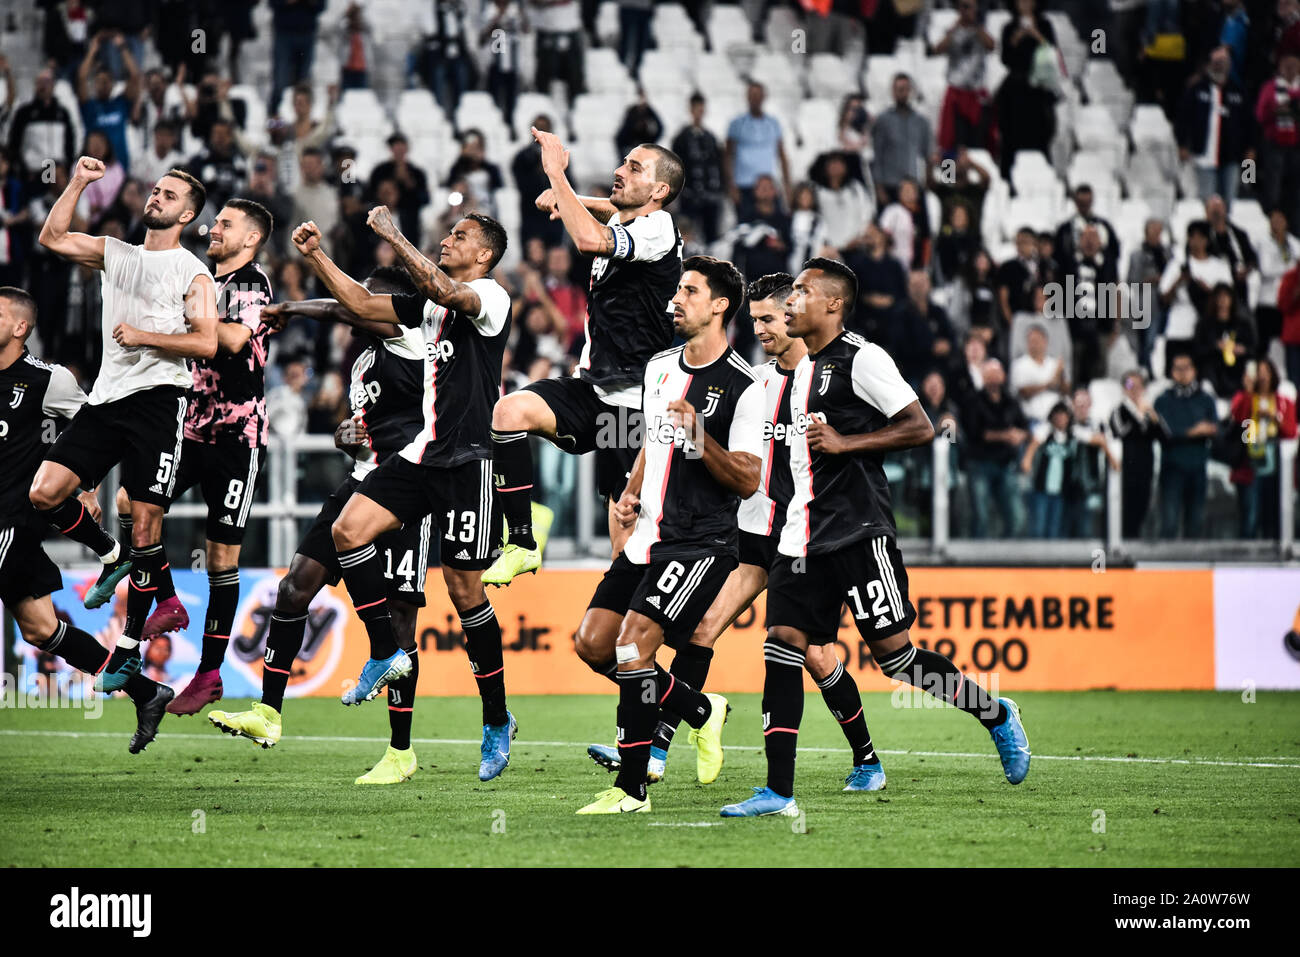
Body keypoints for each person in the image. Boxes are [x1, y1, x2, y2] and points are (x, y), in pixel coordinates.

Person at [720, 258, 1029, 819]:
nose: (791, 303)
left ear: (832, 304)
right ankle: (778, 791)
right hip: (801, 537)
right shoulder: (798, 371)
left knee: (898, 659)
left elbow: (920, 426)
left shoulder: (862, 359)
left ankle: (995, 714)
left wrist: (846, 444)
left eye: (802, 294)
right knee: (782, 645)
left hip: (859, 533)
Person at [586, 273, 887, 793]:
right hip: (748, 533)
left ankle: (867, 759)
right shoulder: (761, 382)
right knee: (699, 633)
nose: (767, 328)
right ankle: (658, 747)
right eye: (760, 321)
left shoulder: (820, 380)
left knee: (817, 655)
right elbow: (677, 446)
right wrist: (638, 490)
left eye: (773, 318)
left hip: (805, 536)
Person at [289, 206, 519, 780]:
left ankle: (496, 719)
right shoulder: (431, 309)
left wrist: (394, 235)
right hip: (422, 453)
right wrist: (316, 255)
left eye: (460, 236)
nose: (448, 240)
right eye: (447, 233)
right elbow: (363, 306)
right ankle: (385, 654)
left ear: (485, 255)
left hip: (469, 463)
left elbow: (446, 288)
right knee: (348, 530)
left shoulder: (491, 298)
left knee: (466, 595)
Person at [210, 267, 433, 784]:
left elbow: (341, 307)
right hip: (357, 484)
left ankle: (400, 751)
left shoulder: (411, 338)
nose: (360, 307)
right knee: (293, 589)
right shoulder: (361, 364)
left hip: (404, 493)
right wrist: (345, 435)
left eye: (369, 299)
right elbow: (362, 431)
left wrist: (290, 308)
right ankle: (268, 714)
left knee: (401, 623)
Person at [574, 256, 763, 815]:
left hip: (698, 540)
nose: (674, 300)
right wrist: (631, 490)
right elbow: (650, 442)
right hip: (647, 533)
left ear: (720, 305)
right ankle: (702, 711)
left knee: (632, 648)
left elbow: (749, 479)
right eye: (677, 290)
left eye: (689, 291)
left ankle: (631, 790)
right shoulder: (658, 366)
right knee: (593, 644)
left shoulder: (743, 387)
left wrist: (702, 437)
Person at [29, 159, 217, 711]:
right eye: (156, 189)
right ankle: (110, 554)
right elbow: (52, 236)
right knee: (45, 492)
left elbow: (206, 343)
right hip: (107, 399)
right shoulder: (116, 251)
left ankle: (136, 641)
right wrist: (80, 182)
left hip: (159, 402)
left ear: (186, 213)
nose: (157, 197)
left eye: (170, 194)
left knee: (145, 519)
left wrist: (145, 335)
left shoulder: (193, 272)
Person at [486, 130, 684, 583]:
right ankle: (521, 538)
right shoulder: (634, 221)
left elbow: (591, 242)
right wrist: (571, 197)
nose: (620, 171)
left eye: (635, 167)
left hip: (635, 407)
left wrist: (557, 174)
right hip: (594, 390)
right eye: (624, 162)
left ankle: (634, 644)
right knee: (510, 411)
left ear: (660, 192)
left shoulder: (659, 227)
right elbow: (614, 214)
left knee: (626, 545)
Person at [112, 199, 276, 716]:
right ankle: (167, 600)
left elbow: (227, 340)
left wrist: (188, 315)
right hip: (187, 425)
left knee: (222, 558)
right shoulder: (196, 275)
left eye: (227, 224)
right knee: (128, 503)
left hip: (238, 435)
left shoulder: (252, 284)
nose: (215, 228)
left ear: (251, 238)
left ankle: (208, 675)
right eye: (216, 221)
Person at [0, 287, 172, 753]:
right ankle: (147, 693)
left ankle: (113, 553)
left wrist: (86, 485)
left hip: (16, 517)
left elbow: (93, 431)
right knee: (39, 628)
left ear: (21, 327)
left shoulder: (48, 380)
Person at [1229, 358, 1297, 538]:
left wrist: (1276, 418)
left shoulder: (1283, 402)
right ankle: (1245, 559)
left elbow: (1290, 432)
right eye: (1259, 372)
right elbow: (1238, 422)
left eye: (1266, 371)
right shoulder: (1245, 398)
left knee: (1274, 514)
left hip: (1276, 466)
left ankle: (1274, 558)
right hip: (1249, 464)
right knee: (1250, 515)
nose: (1263, 376)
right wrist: (1249, 394)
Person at [963, 357, 1029, 538]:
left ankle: (1007, 559)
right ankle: (975, 562)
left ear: (1003, 376)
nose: (993, 378)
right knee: (980, 516)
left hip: (1006, 463)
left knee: (1016, 517)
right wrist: (1006, 435)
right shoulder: (973, 400)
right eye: (989, 374)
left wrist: (1019, 435)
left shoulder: (1011, 401)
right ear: (983, 377)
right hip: (980, 464)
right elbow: (975, 433)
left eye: (996, 374)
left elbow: (1024, 428)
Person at [1176, 47, 1252, 205]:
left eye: (1223, 63)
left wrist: (1250, 151)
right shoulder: (1196, 90)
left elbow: (1248, 123)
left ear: (1229, 66)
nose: (1219, 66)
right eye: (1216, 63)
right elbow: (1183, 118)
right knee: (1208, 202)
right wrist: (1182, 144)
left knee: (1229, 201)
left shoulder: (1239, 92)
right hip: (1204, 156)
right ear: (1208, 65)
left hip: (1232, 157)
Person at [1154, 353, 1218, 538]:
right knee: (1169, 523)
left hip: (1198, 468)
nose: (1182, 373)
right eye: (1177, 369)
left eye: (1186, 368)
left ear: (1194, 371)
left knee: (1195, 524)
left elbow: (1214, 428)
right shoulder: (1163, 400)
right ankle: (1166, 566)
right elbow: (1165, 432)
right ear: (1172, 372)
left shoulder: (1205, 399)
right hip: (1172, 469)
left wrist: (1195, 431)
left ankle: (1194, 567)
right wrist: (1194, 431)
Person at [995, 0, 1058, 181]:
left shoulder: (1045, 25)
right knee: (1011, 139)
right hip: (1015, 89)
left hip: (1038, 89)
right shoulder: (1008, 27)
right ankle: (1008, 179)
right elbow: (1005, 58)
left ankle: (1044, 178)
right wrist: (1019, 35)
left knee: (1040, 136)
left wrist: (1035, 33)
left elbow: (1051, 50)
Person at [934, 0, 995, 152]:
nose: (966, 10)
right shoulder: (952, 30)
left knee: (978, 144)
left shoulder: (981, 30)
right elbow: (937, 49)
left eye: (969, 7)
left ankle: (976, 175)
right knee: (950, 142)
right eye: (963, 6)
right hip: (956, 93)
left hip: (976, 93)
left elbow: (992, 46)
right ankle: (948, 176)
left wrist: (976, 25)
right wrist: (955, 27)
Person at [77, 31, 141, 174]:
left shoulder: (121, 103)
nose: (104, 84)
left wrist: (122, 47)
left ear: (112, 84)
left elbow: (135, 77)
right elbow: (81, 78)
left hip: (120, 169)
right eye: (100, 81)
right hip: (94, 172)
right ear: (94, 84)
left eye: (107, 80)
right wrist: (93, 50)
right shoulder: (89, 107)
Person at [1108, 370, 1162, 538]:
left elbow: (1163, 436)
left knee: (1142, 506)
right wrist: (1137, 415)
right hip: (1125, 468)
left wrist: (1152, 416)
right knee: (1126, 508)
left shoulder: (1149, 411)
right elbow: (1120, 433)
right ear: (1124, 388)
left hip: (1145, 467)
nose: (1134, 390)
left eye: (1139, 386)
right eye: (1130, 385)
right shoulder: (1119, 411)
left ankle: (1135, 541)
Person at [725, 81, 791, 215]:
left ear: (764, 97)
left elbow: (782, 155)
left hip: (768, 186)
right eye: (752, 95)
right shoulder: (736, 124)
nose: (755, 98)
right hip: (744, 185)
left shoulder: (773, 123)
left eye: (758, 95)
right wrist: (731, 186)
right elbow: (727, 156)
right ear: (747, 97)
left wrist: (787, 186)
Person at [870, 73, 931, 206]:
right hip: (890, 185)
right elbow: (877, 156)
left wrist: (929, 183)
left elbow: (929, 154)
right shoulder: (883, 120)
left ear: (911, 91)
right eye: (898, 89)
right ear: (893, 91)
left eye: (905, 89)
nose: (902, 93)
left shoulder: (922, 122)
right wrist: (879, 188)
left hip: (914, 184)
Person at [672, 93, 726, 244]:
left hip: (710, 196)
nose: (698, 112)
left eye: (701, 109)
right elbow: (675, 166)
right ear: (691, 109)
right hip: (689, 195)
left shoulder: (710, 138)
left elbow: (717, 165)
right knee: (685, 233)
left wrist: (720, 189)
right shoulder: (682, 138)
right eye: (696, 108)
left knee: (711, 236)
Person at [1194, 281, 1257, 397]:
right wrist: (1216, 346)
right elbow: (1197, 350)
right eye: (1219, 297)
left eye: (1226, 296)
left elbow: (1254, 349)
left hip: (1238, 372)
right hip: (1214, 373)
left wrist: (1243, 350)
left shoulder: (1242, 324)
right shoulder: (1205, 324)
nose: (1223, 301)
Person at [1255, 210, 1300, 358]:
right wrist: (1291, 268)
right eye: (1273, 220)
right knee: (1263, 345)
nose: (1277, 224)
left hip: (1289, 303)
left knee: (1289, 343)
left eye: (1280, 220)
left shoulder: (1294, 243)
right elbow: (1266, 269)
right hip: (1268, 301)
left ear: (1286, 222)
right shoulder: (1263, 243)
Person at [1011, 322, 1068, 423]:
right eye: (1031, 341)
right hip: (1033, 417)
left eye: (1037, 340)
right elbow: (1023, 392)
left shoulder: (1053, 363)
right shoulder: (1020, 364)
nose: (1034, 344)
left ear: (1045, 341)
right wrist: (1048, 384)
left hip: (1057, 416)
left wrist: (1061, 375)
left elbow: (1065, 391)